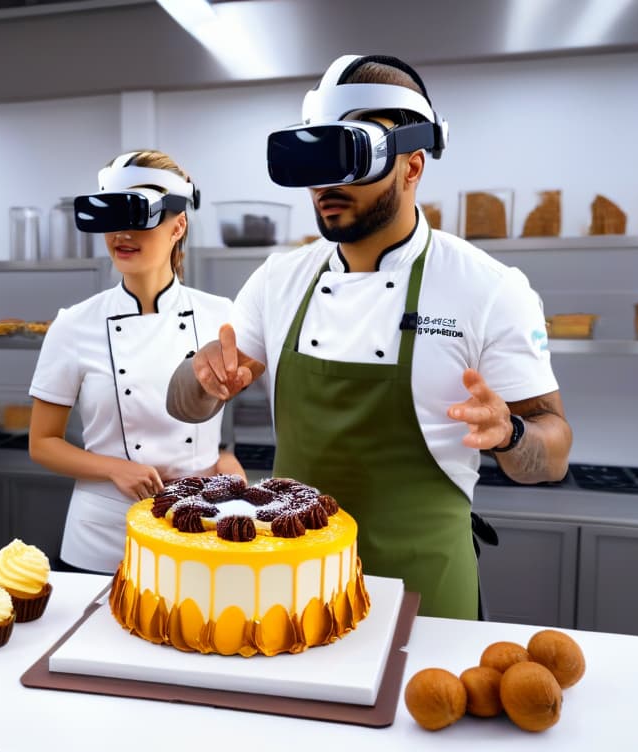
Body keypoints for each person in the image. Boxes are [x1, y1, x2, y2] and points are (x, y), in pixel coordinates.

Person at [166, 54, 572, 620]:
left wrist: (510, 432)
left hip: (425, 595)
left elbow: (552, 454)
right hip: (295, 590)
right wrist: (202, 378)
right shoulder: (278, 280)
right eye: (315, 160)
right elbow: (182, 404)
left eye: (350, 158)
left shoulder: (488, 288)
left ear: (412, 166)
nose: (326, 186)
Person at [29, 150, 244, 573]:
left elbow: (213, 422)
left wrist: (225, 459)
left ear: (178, 225)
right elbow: (42, 444)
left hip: (199, 523)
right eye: (113, 218)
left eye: (138, 216)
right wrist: (115, 469)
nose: (121, 235)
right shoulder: (74, 325)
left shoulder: (222, 315)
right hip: (104, 534)